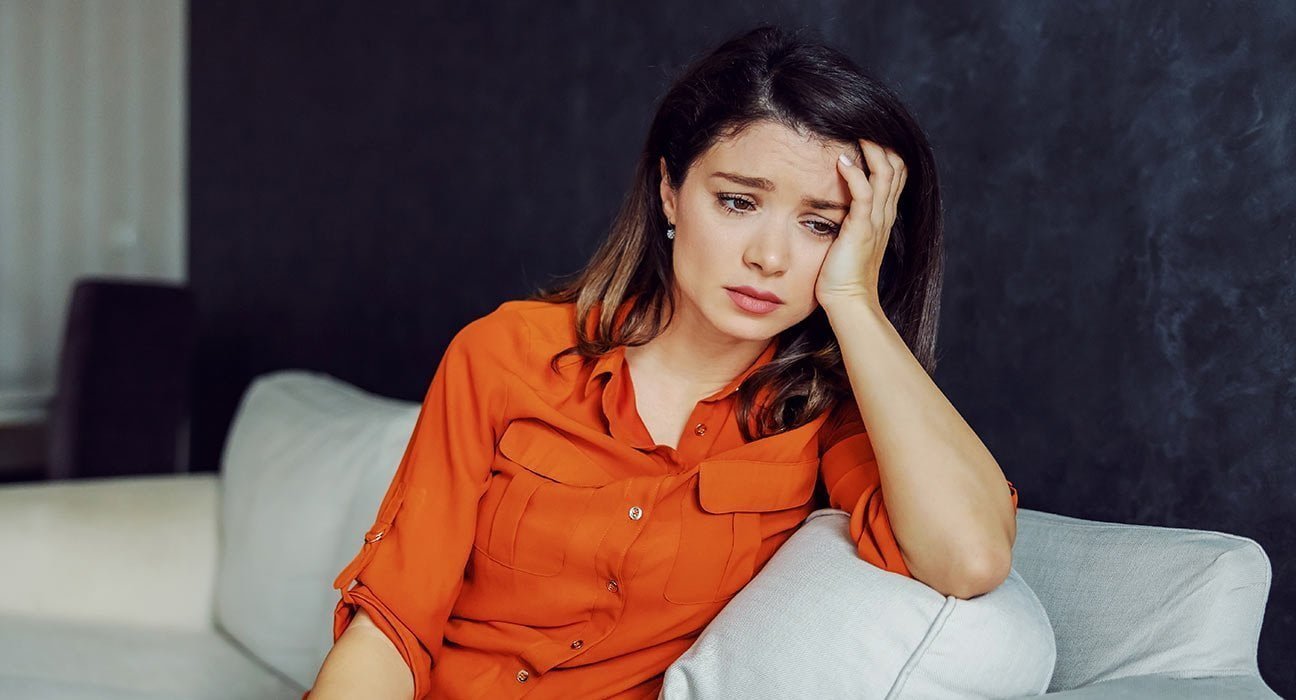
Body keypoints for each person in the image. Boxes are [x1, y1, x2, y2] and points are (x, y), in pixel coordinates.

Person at [305, 23, 1018, 700]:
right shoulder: (505, 353)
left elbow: (970, 558)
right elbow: (392, 626)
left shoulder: (826, 417)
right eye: (738, 201)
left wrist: (854, 298)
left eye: (819, 224)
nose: (768, 258)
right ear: (670, 190)